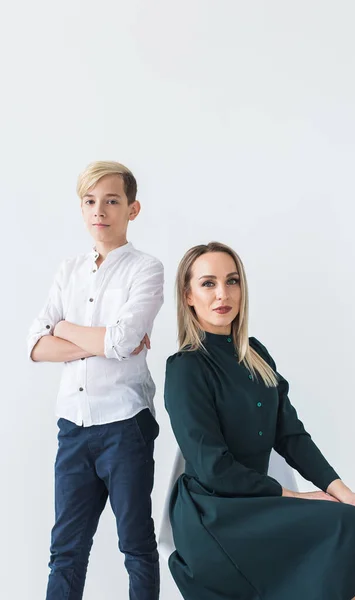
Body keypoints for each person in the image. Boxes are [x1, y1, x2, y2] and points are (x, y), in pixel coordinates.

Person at [164, 241, 355, 600]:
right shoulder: (186, 368)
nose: (222, 294)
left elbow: (291, 436)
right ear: (188, 295)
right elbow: (213, 467)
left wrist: (344, 494)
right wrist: (299, 497)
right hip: (215, 513)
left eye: (232, 281)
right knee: (354, 527)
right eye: (208, 283)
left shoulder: (256, 355)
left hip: (258, 503)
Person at [27, 161, 163, 600]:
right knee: (65, 551)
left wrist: (64, 328)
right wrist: (100, 341)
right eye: (90, 201)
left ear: (132, 208)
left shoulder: (146, 269)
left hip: (126, 425)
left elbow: (123, 341)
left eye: (111, 201)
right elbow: (34, 345)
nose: (99, 211)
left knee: (136, 547)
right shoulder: (68, 270)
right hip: (73, 427)